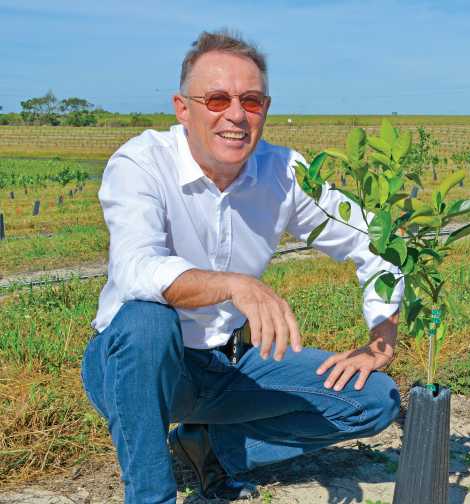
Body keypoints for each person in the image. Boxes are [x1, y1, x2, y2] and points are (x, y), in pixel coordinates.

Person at [80, 30, 403, 503]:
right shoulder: (141, 163)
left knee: (374, 399)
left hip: (227, 363)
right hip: (134, 367)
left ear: (265, 109)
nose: (235, 114)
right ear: (182, 108)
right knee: (147, 320)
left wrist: (381, 338)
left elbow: (376, 241)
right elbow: (135, 269)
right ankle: (152, 493)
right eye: (217, 98)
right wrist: (232, 285)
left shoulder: (284, 173)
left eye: (251, 101)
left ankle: (210, 446)